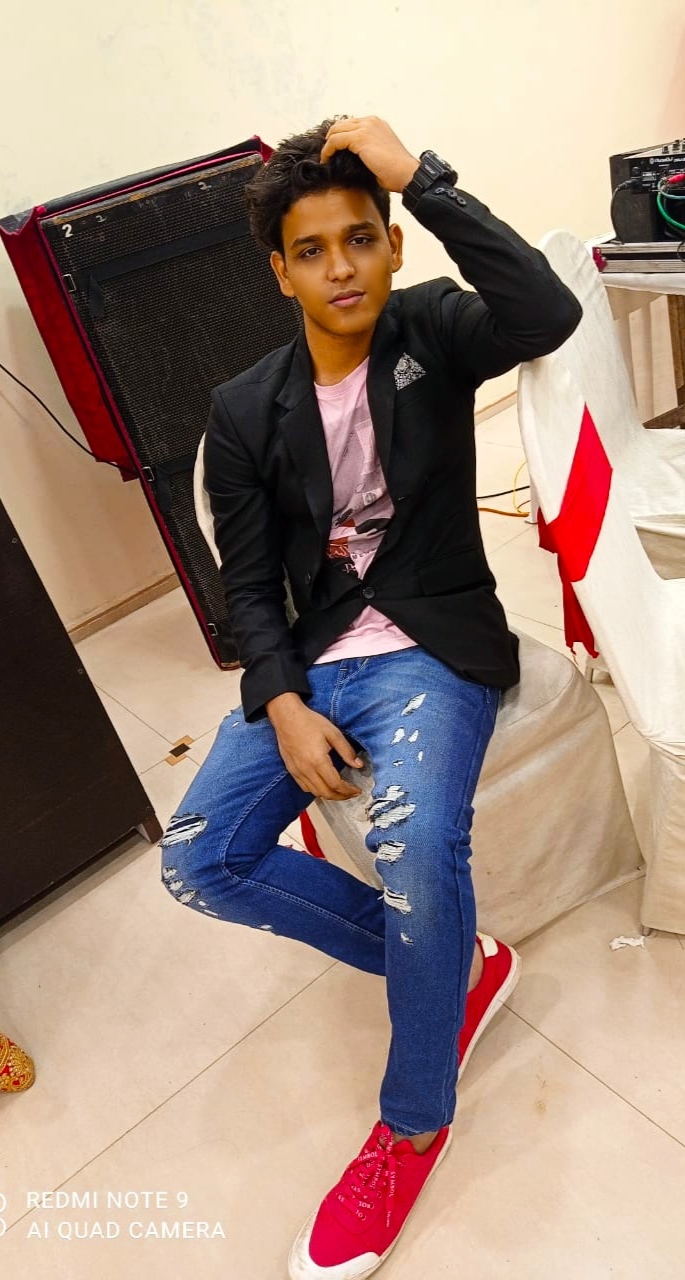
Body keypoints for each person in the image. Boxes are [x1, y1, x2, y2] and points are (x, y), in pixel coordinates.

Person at [160, 114, 582, 1279]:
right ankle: (454, 964)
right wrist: (281, 701)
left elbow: (546, 313)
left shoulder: (431, 330)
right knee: (197, 858)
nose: (340, 267)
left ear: (392, 245)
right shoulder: (245, 407)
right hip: (317, 658)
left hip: (433, 644)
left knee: (411, 841)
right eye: (312, 250)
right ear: (280, 271)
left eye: (361, 238)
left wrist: (423, 179)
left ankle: (412, 1122)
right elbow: (250, 587)